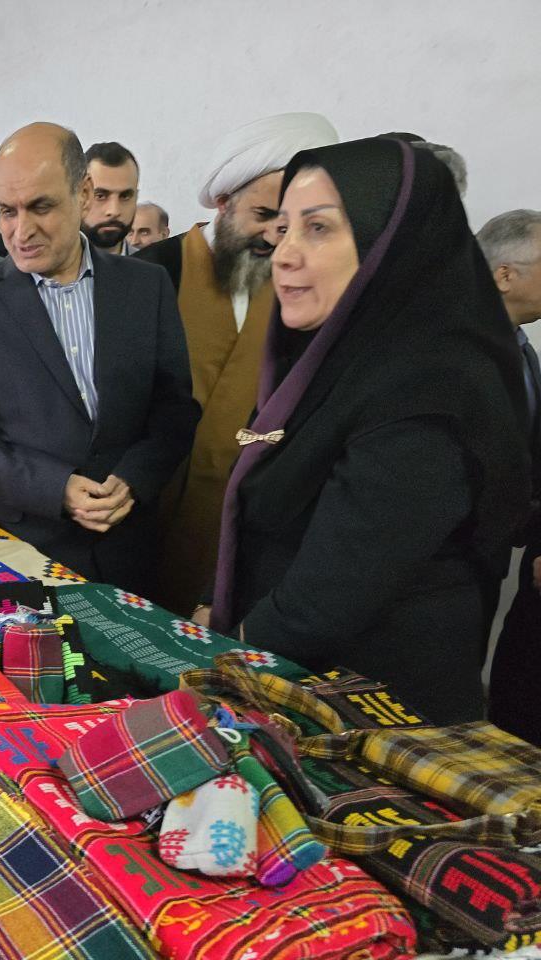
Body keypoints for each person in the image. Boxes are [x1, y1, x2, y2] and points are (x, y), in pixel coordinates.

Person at [203, 138, 529, 725]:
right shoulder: (335, 358)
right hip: (292, 680)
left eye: (318, 228)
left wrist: (214, 663)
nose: (283, 254)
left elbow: (327, 597)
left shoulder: (430, 388)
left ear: (393, 243)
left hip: (370, 716)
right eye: (283, 229)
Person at [0, 123, 198, 587]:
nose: (21, 230)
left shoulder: (146, 286)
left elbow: (175, 409)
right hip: (20, 557)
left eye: (41, 207)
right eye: (7, 211)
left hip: (128, 552)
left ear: (84, 193)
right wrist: (57, 489)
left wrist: (133, 479)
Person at [137, 111, 338, 614]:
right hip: (141, 509)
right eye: (263, 215)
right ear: (224, 201)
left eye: (289, 223)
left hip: (231, 522)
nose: (274, 237)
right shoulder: (151, 271)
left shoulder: (297, 290)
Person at [478, 210, 541, 744]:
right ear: (504, 274)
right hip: (442, 563)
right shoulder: (453, 349)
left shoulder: (523, 349)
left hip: (491, 558)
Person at [81, 141, 139, 254]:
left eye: (125, 196)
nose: (114, 211)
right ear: (78, 196)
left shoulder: (152, 264)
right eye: (100, 196)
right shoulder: (47, 263)